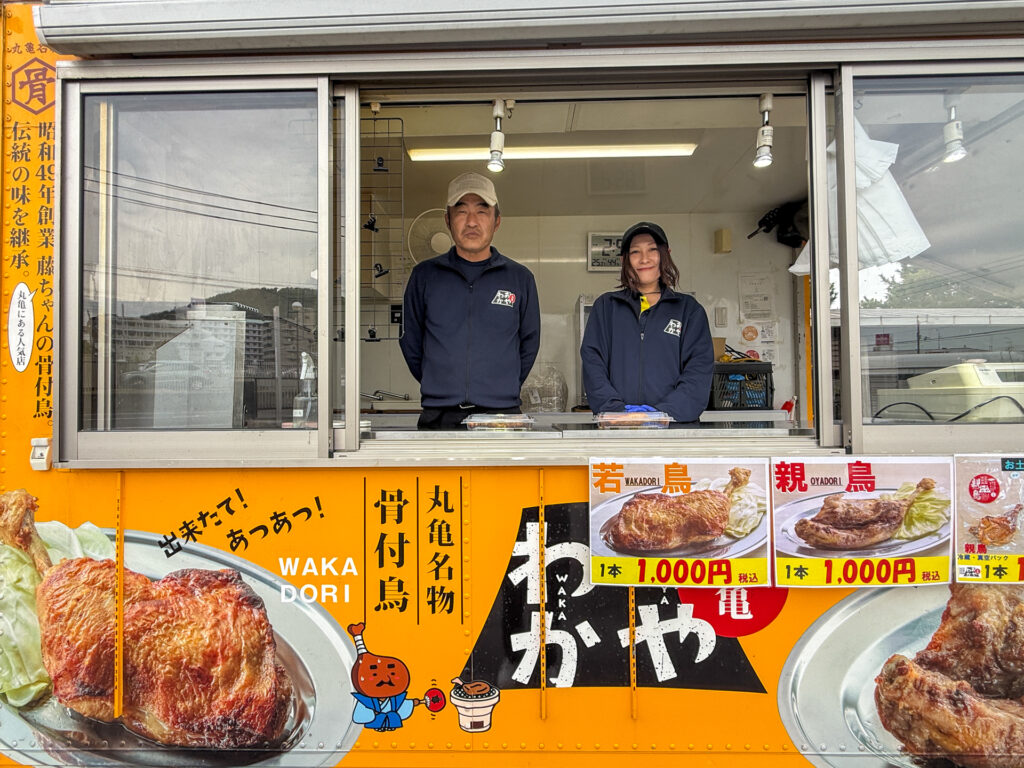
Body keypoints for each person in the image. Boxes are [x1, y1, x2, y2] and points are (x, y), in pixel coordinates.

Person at [400, 172, 541, 429]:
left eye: (482, 211)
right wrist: (441, 385)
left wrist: (498, 388)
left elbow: (529, 344)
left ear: (497, 221)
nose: (472, 222)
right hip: (439, 416)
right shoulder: (425, 276)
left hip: (502, 416)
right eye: (462, 211)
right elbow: (411, 341)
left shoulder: (519, 278)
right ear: (448, 220)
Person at [580, 221, 714, 423]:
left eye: (652, 250)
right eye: (635, 252)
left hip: (674, 429)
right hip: (617, 429)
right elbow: (593, 364)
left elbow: (698, 372)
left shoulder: (689, 310)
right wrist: (616, 412)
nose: (644, 259)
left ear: (665, 253)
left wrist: (660, 414)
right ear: (625, 259)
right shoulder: (606, 307)